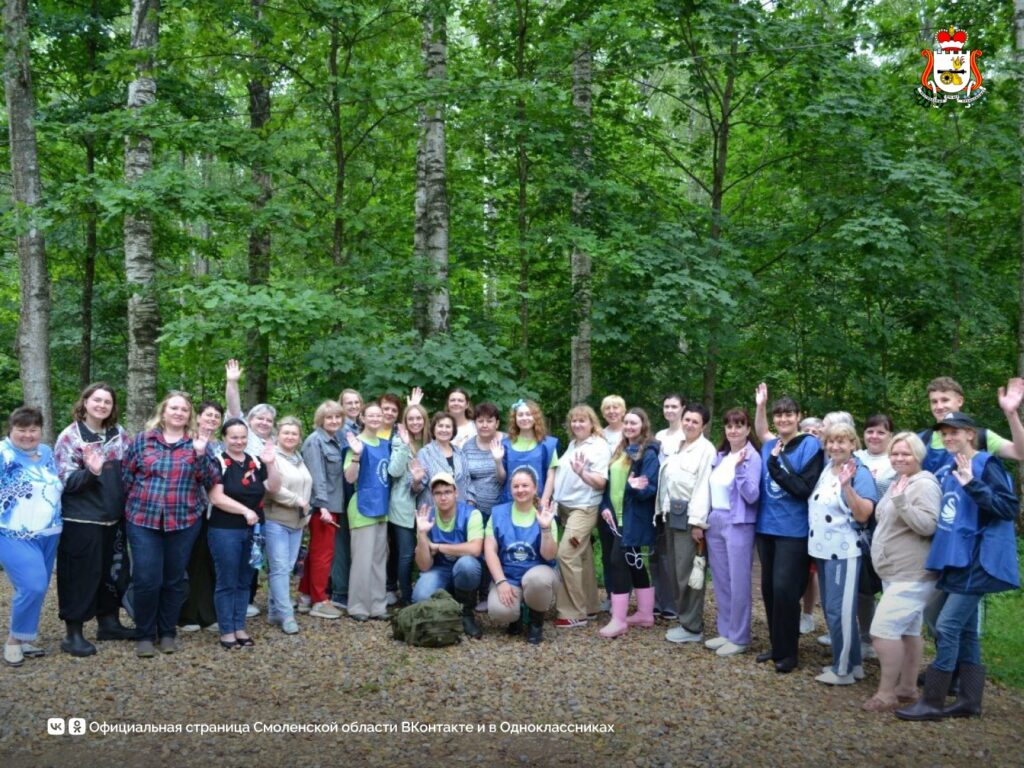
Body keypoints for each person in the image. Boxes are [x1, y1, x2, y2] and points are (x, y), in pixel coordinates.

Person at [897, 412, 1020, 721]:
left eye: (955, 432)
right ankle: (969, 700)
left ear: (970, 433)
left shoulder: (986, 464)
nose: (949, 437)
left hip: (976, 561)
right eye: (945, 433)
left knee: (948, 626)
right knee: (965, 633)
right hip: (954, 559)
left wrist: (973, 486)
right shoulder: (949, 467)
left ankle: (933, 701)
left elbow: (1008, 508)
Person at [122, 391, 214, 657]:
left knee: (174, 580)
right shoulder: (142, 441)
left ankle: (167, 633)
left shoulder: (197, 443)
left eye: (184, 409)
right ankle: (144, 635)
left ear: (189, 416)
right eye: (173, 408)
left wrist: (200, 454)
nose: (178, 413)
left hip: (183, 521)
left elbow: (209, 480)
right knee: (147, 579)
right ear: (163, 412)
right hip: (143, 520)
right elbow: (126, 477)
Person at [53, 383, 133, 657]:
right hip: (82, 521)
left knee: (112, 573)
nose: (101, 405)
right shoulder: (71, 437)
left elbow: (130, 471)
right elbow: (64, 481)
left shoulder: (118, 434)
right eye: (96, 400)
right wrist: (91, 472)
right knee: (78, 576)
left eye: (107, 402)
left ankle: (109, 623)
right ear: (85, 402)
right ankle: (73, 634)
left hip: (113, 519)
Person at [861, 432, 940, 712]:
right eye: (895, 454)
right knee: (907, 631)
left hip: (913, 575)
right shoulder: (899, 480)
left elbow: (929, 525)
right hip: (895, 573)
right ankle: (906, 688)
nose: (899, 458)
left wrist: (903, 502)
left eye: (905, 454)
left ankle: (886, 693)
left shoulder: (924, 484)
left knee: (882, 632)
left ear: (918, 455)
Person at [753, 384, 824, 673]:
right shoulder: (770, 444)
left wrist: (774, 468)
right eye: (778, 415)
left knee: (785, 590)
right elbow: (760, 432)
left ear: (799, 417)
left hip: (793, 531)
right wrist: (760, 405)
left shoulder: (810, 445)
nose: (783, 419)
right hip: (766, 527)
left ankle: (790, 652)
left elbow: (803, 488)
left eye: (788, 414)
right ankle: (777, 645)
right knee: (769, 589)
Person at [808, 423, 878, 685]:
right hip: (822, 549)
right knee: (830, 608)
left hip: (845, 550)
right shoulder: (828, 468)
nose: (835, 446)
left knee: (840, 610)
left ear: (853, 444)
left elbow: (863, 514)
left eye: (842, 441)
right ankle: (855, 663)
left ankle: (844, 669)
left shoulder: (859, 472)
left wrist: (847, 487)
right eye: (830, 442)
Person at [207, 419, 280, 649]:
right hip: (225, 529)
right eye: (233, 437)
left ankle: (239, 626)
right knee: (227, 579)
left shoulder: (255, 462)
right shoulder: (218, 462)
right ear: (224, 438)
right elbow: (216, 497)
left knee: (245, 580)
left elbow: (274, 487)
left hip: (254, 530)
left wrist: (271, 463)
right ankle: (226, 630)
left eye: (242, 437)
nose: (239, 441)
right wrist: (244, 510)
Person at [0, 407, 63, 667]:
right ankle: (14, 640)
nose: (28, 435)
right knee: (33, 585)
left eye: (33, 429)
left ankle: (25, 636)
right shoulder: (3, 453)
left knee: (36, 588)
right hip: (13, 532)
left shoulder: (47, 452)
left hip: (49, 532)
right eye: (21, 429)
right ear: (11, 430)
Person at [703, 408, 761, 657]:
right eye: (729, 426)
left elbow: (752, 495)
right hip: (715, 520)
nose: (733, 430)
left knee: (738, 582)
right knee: (721, 581)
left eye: (739, 425)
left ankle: (739, 637)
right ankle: (725, 631)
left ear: (748, 429)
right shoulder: (721, 455)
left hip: (738, 522)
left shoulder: (752, 457)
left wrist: (739, 470)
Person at [597, 408, 660, 638]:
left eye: (634, 423)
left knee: (617, 561)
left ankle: (619, 619)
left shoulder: (648, 453)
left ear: (643, 425)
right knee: (634, 562)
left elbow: (650, 488)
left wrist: (636, 489)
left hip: (633, 519)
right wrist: (604, 507)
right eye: (627, 423)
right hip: (614, 517)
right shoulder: (621, 450)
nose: (629, 427)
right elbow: (610, 483)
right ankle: (644, 614)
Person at [659, 403, 716, 645]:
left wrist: (698, 524)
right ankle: (685, 620)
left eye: (695, 421)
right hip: (672, 513)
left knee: (688, 572)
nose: (689, 424)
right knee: (675, 570)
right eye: (687, 420)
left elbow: (704, 487)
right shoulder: (678, 445)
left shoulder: (706, 450)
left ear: (703, 425)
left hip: (690, 518)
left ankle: (693, 627)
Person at [224, 359, 276, 618]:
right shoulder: (243, 434)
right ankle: (228, 601)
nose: (264, 423)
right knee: (230, 555)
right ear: (250, 419)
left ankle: (248, 598)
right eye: (259, 418)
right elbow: (234, 410)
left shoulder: (273, 444)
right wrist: (232, 381)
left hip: (261, 507)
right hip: (231, 503)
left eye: (269, 420)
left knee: (254, 554)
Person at [485, 467, 560, 644]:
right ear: (510, 489)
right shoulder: (497, 514)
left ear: (535, 488)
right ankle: (515, 617)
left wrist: (545, 527)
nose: (520, 490)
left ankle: (536, 621)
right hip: (509, 576)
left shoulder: (545, 514)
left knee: (537, 581)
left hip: (539, 574)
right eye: (516, 486)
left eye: (525, 485)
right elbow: (490, 551)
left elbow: (549, 556)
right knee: (499, 611)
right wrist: (501, 582)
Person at [552, 405, 610, 628]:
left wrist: (582, 473)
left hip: (583, 509)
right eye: (574, 421)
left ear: (592, 423)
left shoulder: (598, 446)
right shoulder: (574, 444)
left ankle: (574, 612)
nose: (577, 424)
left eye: (582, 421)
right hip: (567, 509)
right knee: (582, 557)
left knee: (566, 554)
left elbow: (601, 482)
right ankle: (590, 606)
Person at [411, 473, 484, 639]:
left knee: (467, 565)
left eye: (447, 492)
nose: (443, 497)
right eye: (438, 493)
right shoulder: (426, 517)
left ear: (456, 492)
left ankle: (466, 613)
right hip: (439, 569)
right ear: (432, 496)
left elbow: (474, 549)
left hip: (465, 568)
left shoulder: (472, 514)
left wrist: (438, 547)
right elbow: (424, 565)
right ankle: (447, 604)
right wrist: (422, 534)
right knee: (420, 596)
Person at [178, 400, 224, 634]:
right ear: (198, 417)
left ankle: (207, 613)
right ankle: (186, 615)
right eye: (208, 415)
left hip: (216, 512)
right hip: (190, 509)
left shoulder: (221, 446)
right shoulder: (187, 440)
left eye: (217, 416)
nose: (212, 419)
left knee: (207, 563)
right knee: (190, 562)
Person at [343, 402, 392, 621]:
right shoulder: (356, 443)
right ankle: (358, 607)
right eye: (370, 415)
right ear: (362, 418)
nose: (375, 418)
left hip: (382, 508)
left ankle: (378, 606)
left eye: (378, 415)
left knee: (379, 560)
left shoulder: (385, 444)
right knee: (362, 561)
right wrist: (356, 455)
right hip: (363, 507)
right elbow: (349, 477)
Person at [298, 400, 346, 619]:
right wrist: (323, 506)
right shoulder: (315, 441)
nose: (334, 421)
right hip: (322, 508)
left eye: (337, 417)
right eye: (329, 417)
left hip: (332, 505)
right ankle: (320, 600)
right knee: (323, 554)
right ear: (321, 419)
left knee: (316, 552)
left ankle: (305, 596)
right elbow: (316, 477)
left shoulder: (335, 439)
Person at [854, 413, 898, 658]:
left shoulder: (896, 460)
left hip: (889, 533)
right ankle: (865, 638)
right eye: (870, 431)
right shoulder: (856, 457)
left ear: (890, 435)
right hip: (860, 532)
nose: (874, 436)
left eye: (881, 432)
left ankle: (890, 641)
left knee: (890, 588)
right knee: (864, 588)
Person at [264, 416, 312, 635]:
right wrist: (296, 500)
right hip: (277, 520)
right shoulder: (272, 458)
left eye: (294, 433)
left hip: (298, 522)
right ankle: (287, 615)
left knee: (285, 568)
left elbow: (306, 485)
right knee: (280, 568)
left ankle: (274, 610)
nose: (290, 436)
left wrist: (306, 511)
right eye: (286, 433)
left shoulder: (298, 459)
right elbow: (271, 488)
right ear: (277, 435)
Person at [919, 376, 1024, 472]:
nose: (939, 406)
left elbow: (1020, 453)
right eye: (934, 402)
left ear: (960, 401)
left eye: (945, 400)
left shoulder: (981, 436)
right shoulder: (920, 440)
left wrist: (1011, 414)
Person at [461, 402, 506, 609]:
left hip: (500, 506)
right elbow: (465, 478)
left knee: (496, 550)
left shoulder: (506, 441)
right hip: (475, 507)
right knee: (477, 551)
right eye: (480, 421)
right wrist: (470, 501)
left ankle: (494, 593)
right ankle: (476, 594)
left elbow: (504, 479)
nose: (485, 425)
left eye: (489, 420)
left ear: (497, 422)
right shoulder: (468, 446)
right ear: (475, 423)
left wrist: (498, 461)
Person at [386, 405, 428, 606]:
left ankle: (423, 590)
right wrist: (404, 445)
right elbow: (393, 472)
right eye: (410, 419)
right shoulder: (398, 441)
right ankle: (406, 597)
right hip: (402, 504)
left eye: (419, 418)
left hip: (424, 505)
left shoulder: (428, 443)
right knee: (406, 553)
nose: (415, 422)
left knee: (424, 549)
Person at [651, 393, 685, 620]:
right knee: (655, 552)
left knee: (672, 555)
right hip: (657, 500)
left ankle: (673, 604)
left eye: (674, 406)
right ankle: (656, 601)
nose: (670, 410)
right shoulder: (659, 436)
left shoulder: (687, 435)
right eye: (666, 406)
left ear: (682, 408)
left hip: (677, 501)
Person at [501, 399, 558, 507]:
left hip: (538, 501)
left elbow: (551, 476)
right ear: (515, 419)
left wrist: (544, 502)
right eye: (520, 415)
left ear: (535, 418)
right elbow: (501, 478)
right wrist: (497, 460)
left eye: (528, 414)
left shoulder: (547, 445)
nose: (524, 418)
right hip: (511, 501)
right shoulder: (505, 445)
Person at [415, 411, 470, 503]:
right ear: (433, 429)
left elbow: (467, 481)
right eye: (440, 426)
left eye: (448, 427)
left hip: (458, 509)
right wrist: (416, 481)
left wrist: (470, 503)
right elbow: (416, 489)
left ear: (453, 431)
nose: (444, 430)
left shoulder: (460, 453)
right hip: (432, 510)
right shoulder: (424, 453)